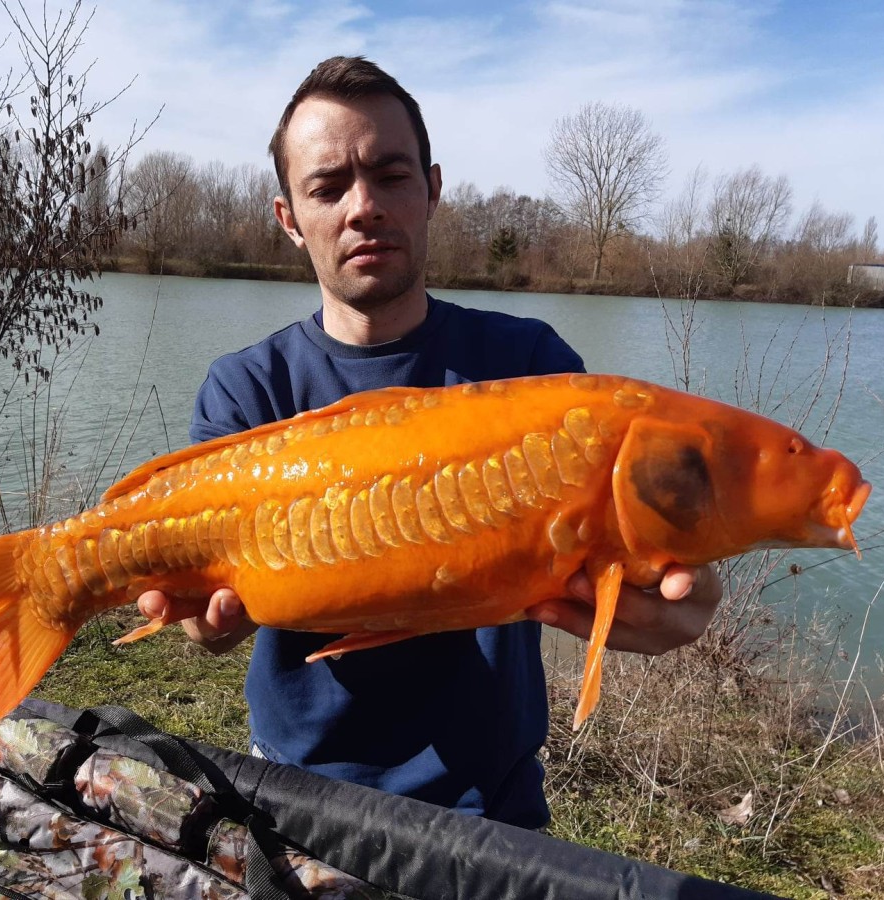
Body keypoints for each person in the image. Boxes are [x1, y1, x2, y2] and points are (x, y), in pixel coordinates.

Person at [138, 56, 722, 829]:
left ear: (433, 190)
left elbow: (625, 566)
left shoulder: (531, 370)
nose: (364, 207)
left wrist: (676, 602)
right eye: (328, 187)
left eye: (391, 175)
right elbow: (202, 619)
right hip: (298, 794)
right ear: (288, 218)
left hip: (491, 804)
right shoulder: (249, 389)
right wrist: (199, 618)